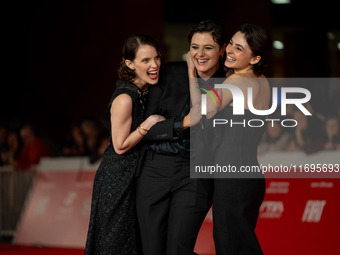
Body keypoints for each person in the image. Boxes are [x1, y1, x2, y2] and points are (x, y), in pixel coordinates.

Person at [136, 20, 227, 255]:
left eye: (209, 47)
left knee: (178, 249)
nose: (200, 54)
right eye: (195, 47)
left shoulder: (230, 84)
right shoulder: (168, 73)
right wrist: (182, 124)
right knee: (152, 249)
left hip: (195, 175)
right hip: (155, 170)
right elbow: (144, 130)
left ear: (223, 49)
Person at [187, 24, 272, 255]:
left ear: (254, 58)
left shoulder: (234, 83)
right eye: (231, 44)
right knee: (241, 243)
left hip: (231, 176)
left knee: (230, 245)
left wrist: (191, 73)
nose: (230, 51)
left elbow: (201, 111)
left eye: (239, 48)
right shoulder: (263, 81)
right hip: (251, 175)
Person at [84, 34, 165, 255]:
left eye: (156, 58)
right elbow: (119, 146)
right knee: (113, 241)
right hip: (116, 178)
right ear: (130, 64)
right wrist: (148, 123)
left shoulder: (142, 92)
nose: (154, 65)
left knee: (130, 241)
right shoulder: (125, 98)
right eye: (146, 60)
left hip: (133, 175)